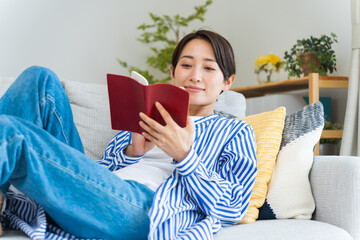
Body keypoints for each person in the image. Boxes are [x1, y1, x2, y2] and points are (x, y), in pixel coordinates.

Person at [0, 30, 257, 240]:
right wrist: (132, 152)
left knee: (11, 132)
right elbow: (99, 170)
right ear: (173, 72)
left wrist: (185, 155)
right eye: (186, 65)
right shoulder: (146, 114)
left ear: (227, 81)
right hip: (92, 190)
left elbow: (233, 206)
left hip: (144, 209)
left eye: (209, 68)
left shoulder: (235, 131)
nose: (195, 76)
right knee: (39, 78)